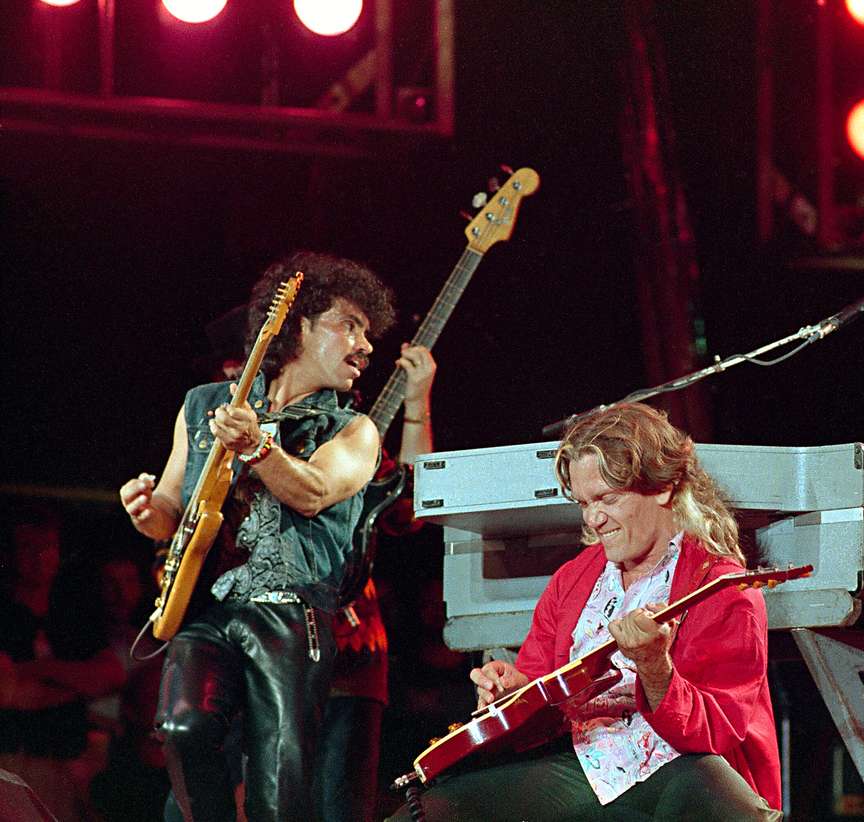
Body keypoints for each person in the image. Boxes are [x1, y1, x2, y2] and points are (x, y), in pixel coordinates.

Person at [390, 402, 782, 821]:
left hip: (678, 772)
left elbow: (717, 733)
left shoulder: (722, 589)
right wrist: (513, 691)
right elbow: (538, 687)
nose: (594, 518)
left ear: (664, 488)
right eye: (582, 502)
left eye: (607, 498)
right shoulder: (573, 579)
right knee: (426, 813)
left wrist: (655, 669)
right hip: (580, 765)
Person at [118, 251, 396, 821]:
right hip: (206, 606)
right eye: (350, 326)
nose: (365, 347)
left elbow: (314, 490)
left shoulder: (353, 430)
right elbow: (172, 507)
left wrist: (259, 448)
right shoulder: (203, 405)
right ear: (298, 325)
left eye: (368, 332)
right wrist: (145, 510)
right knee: (181, 724)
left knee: (279, 788)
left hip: (291, 616)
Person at [314, 342, 436, 822]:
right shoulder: (246, 429)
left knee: (341, 804)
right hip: (265, 646)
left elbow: (409, 509)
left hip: (352, 646)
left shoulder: (350, 432)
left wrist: (416, 403)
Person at [0, 507, 126, 822]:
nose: (38, 557)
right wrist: (77, 684)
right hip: (10, 760)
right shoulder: (5, 616)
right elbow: (11, 692)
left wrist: (38, 670)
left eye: (47, 548)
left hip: (64, 765)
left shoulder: (72, 616)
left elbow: (109, 676)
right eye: (28, 548)